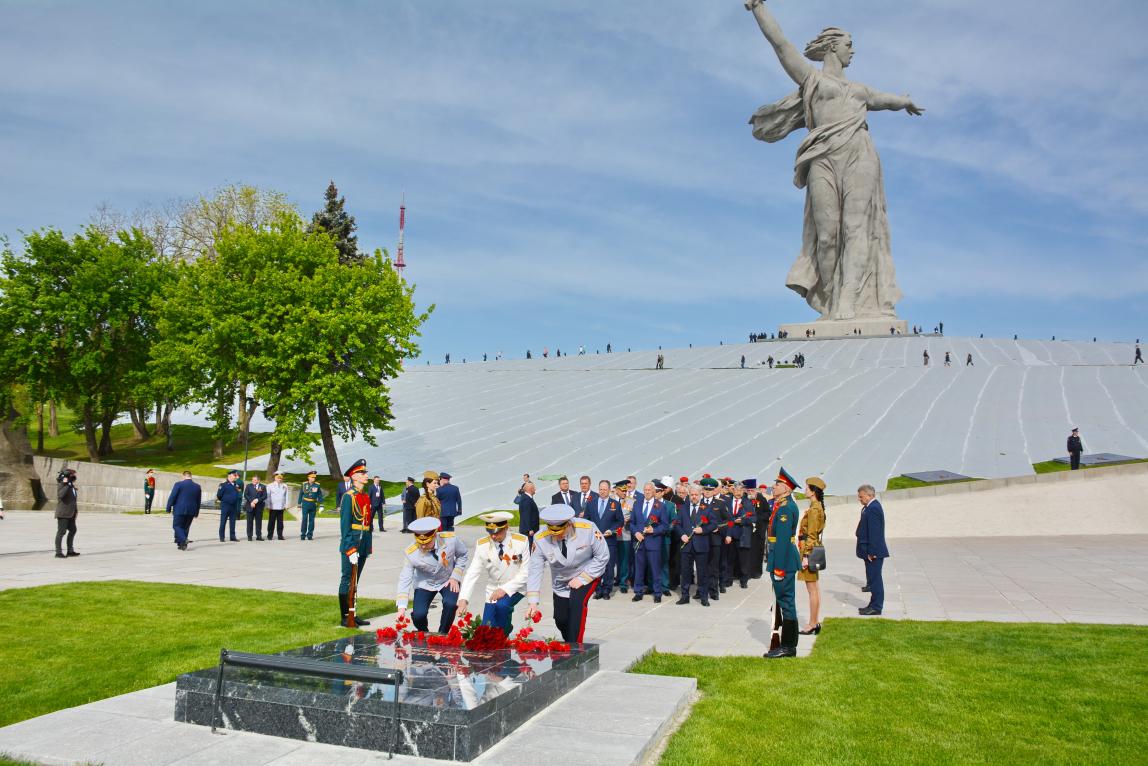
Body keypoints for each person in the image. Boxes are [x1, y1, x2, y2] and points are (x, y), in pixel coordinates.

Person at [747, 1, 922, 320]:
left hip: (859, 153)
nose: (852, 52)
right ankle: (829, 299)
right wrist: (757, 7)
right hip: (822, 156)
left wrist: (905, 101)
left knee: (856, 228)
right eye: (848, 45)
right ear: (832, 47)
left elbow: (887, 100)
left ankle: (848, 301)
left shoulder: (859, 90)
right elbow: (781, 44)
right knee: (827, 235)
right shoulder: (812, 80)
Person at [526, 504, 610, 643]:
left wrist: (583, 579)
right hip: (561, 580)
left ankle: (575, 649)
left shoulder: (587, 529)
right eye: (553, 533)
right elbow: (535, 570)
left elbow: (603, 556)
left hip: (587, 573)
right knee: (561, 619)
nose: (557, 536)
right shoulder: (540, 538)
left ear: (569, 524)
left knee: (577, 605)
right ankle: (570, 641)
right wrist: (533, 602)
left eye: (560, 532)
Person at [457, 511, 530, 634]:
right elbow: (472, 573)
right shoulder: (482, 545)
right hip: (493, 589)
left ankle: (504, 631)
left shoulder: (521, 542)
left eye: (497, 532)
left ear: (506, 527)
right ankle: (505, 628)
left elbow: (525, 572)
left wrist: (505, 590)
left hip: (516, 586)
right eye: (490, 532)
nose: (493, 536)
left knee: (502, 607)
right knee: (486, 629)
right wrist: (463, 599)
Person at [396, 516, 469, 633]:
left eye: (426, 542)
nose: (423, 546)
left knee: (450, 604)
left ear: (435, 535)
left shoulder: (450, 540)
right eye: (420, 542)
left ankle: (443, 633)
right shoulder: (411, 552)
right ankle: (425, 633)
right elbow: (405, 578)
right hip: (425, 583)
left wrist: (455, 576)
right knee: (419, 615)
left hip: (448, 579)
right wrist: (401, 608)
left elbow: (463, 555)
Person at [765, 468, 802, 659]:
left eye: (777, 484)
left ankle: (788, 646)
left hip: (784, 560)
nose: (774, 486)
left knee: (786, 602)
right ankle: (788, 644)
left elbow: (782, 540)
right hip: (782, 558)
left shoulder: (786, 508)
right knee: (784, 602)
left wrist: (778, 567)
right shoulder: (782, 504)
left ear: (786, 489)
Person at [338, 459, 374, 626]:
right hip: (351, 544)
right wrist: (350, 548)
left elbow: (367, 524)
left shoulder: (365, 496)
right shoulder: (349, 497)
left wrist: (368, 545)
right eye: (362, 473)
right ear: (354, 476)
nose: (366, 475)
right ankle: (345, 616)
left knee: (356, 580)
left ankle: (354, 612)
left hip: (363, 541)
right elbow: (345, 526)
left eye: (365, 472)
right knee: (347, 579)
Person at [676, 484, 717, 606]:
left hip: (701, 545)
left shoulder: (707, 508)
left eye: (696, 495)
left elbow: (714, 524)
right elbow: (677, 523)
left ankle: (704, 597)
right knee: (685, 572)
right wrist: (682, 534)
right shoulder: (683, 507)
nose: (694, 497)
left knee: (702, 572)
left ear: (701, 495)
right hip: (686, 545)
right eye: (692, 495)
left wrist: (703, 530)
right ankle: (685, 596)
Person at [630, 481, 669, 603]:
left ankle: (657, 593)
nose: (647, 492)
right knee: (639, 569)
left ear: (654, 492)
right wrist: (635, 532)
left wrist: (654, 530)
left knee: (655, 569)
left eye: (649, 490)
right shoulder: (637, 504)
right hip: (639, 542)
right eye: (645, 490)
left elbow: (665, 526)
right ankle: (638, 592)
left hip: (654, 543)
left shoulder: (660, 506)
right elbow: (632, 522)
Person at [798, 476, 827, 635]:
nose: (805, 490)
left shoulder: (815, 509)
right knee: (813, 588)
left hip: (808, 551)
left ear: (813, 491)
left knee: (812, 589)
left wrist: (806, 556)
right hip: (807, 549)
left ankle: (812, 623)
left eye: (807, 488)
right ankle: (814, 622)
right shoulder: (815, 507)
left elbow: (812, 535)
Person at [856, 484, 889, 615]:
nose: (859, 499)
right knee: (873, 579)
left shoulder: (873, 508)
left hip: (874, 552)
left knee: (875, 580)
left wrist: (872, 552)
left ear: (869, 495)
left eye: (861, 496)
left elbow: (875, 533)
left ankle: (876, 607)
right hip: (869, 551)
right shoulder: (868, 507)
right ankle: (872, 604)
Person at [591, 479, 624, 599]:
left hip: (609, 540)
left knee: (609, 566)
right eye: (601, 489)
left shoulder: (615, 504)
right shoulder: (591, 504)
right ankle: (597, 589)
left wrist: (612, 530)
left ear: (609, 490)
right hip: (594, 541)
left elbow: (620, 521)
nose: (602, 491)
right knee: (596, 565)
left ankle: (607, 590)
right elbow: (586, 521)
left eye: (605, 489)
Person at [167, 470, 202, 551]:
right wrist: (197, 512)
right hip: (192, 510)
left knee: (176, 526)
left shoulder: (178, 484)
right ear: (190, 476)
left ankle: (184, 539)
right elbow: (198, 500)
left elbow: (173, 496)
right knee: (185, 527)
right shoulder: (197, 486)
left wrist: (168, 507)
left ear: (183, 476)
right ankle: (182, 545)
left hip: (180, 509)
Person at [53, 467, 79, 558]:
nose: (74, 477)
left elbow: (73, 500)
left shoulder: (71, 485)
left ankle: (70, 550)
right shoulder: (62, 484)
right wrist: (66, 484)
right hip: (63, 513)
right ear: (68, 476)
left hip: (71, 513)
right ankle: (58, 552)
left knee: (73, 530)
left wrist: (76, 511)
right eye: (73, 475)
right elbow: (61, 495)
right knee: (61, 532)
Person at [298, 470, 324, 541]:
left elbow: (320, 495)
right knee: (304, 519)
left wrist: (321, 505)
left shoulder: (317, 485)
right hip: (305, 503)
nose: (313, 479)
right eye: (312, 477)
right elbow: (300, 494)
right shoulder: (304, 484)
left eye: (314, 477)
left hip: (313, 504)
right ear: (308, 477)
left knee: (312, 520)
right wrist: (299, 504)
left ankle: (310, 534)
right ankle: (303, 534)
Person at [216, 470, 242, 542]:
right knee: (223, 522)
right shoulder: (223, 485)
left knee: (233, 522)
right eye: (234, 476)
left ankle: (232, 537)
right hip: (225, 506)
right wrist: (225, 500)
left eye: (236, 476)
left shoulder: (236, 485)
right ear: (229, 476)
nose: (235, 477)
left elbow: (238, 493)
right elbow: (219, 495)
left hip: (233, 506)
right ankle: (222, 537)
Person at [266, 473, 290, 541]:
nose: (280, 479)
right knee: (271, 522)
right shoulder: (270, 485)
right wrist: (268, 505)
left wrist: (286, 505)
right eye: (278, 478)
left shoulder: (284, 486)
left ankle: (280, 535)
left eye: (281, 478)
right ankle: (270, 535)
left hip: (281, 506)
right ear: (275, 478)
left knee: (280, 522)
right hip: (273, 506)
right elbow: (268, 497)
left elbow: (286, 496)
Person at [244, 475, 268, 541]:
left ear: (258, 480)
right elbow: (245, 495)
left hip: (259, 507)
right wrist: (251, 501)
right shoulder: (249, 486)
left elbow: (265, 496)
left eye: (255, 480)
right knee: (249, 522)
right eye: (252, 480)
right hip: (250, 506)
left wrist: (257, 500)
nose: (253, 481)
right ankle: (249, 536)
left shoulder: (263, 486)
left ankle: (259, 536)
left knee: (258, 522)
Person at [517, 480, 540, 545]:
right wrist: (529, 529)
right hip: (529, 532)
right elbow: (526, 515)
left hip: (530, 531)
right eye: (534, 488)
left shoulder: (526, 498)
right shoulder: (526, 499)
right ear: (530, 489)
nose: (535, 489)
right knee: (529, 549)